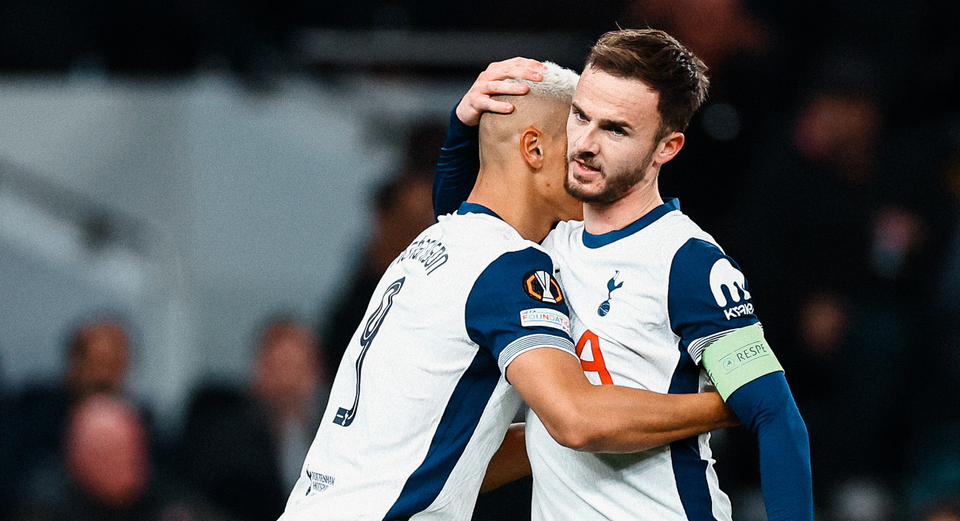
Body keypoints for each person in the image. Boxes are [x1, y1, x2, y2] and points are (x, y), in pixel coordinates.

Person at [278, 60, 739, 521]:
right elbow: (577, 420)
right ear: (534, 149)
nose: (595, 158)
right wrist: (731, 403)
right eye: (578, 141)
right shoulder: (509, 267)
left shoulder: (431, 245)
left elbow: (452, 456)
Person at [434, 29, 813, 520]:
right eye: (580, 116)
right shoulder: (547, 241)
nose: (584, 144)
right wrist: (463, 125)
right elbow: (463, 232)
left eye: (615, 129)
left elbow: (776, 415)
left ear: (667, 147)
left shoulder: (687, 260)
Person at [176, 313, 328, 521]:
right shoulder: (226, 434)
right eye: (280, 368)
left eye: (298, 368)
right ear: (259, 370)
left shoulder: (336, 430)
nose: (289, 383)